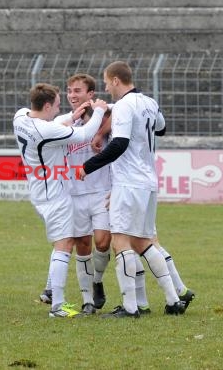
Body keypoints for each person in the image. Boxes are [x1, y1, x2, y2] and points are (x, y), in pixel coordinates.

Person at [80, 61, 186, 317]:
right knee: (143, 241)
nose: (106, 86)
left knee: (121, 242)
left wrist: (88, 166)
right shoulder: (149, 101)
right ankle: (173, 301)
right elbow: (162, 128)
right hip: (149, 182)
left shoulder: (126, 106)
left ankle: (130, 308)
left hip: (128, 182)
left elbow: (119, 145)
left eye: (106, 81)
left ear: (116, 80)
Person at [13, 82, 108, 318]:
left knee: (64, 244)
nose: (59, 108)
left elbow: (53, 121)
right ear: (46, 105)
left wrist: (71, 115)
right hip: (54, 195)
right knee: (64, 246)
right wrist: (98, 110)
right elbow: (85, 134)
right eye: (56, 105)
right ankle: (57, 304)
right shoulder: (46, 131)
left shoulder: (20, 117)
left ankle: (56, 299)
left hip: (40, 191)